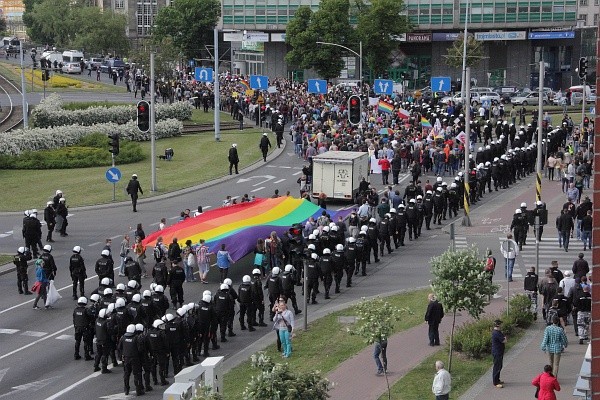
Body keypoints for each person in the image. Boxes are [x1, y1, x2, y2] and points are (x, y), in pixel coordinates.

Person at [491, 319, 507, 388]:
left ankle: (497, 379)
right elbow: (504, 341)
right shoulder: (497, 333)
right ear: (498, 325)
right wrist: (505, 338)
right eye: (501, 324)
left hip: (499, 351)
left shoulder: (497, 332)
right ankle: (495, 382)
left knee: (499, 366)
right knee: (497, 366)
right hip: (497, 352)